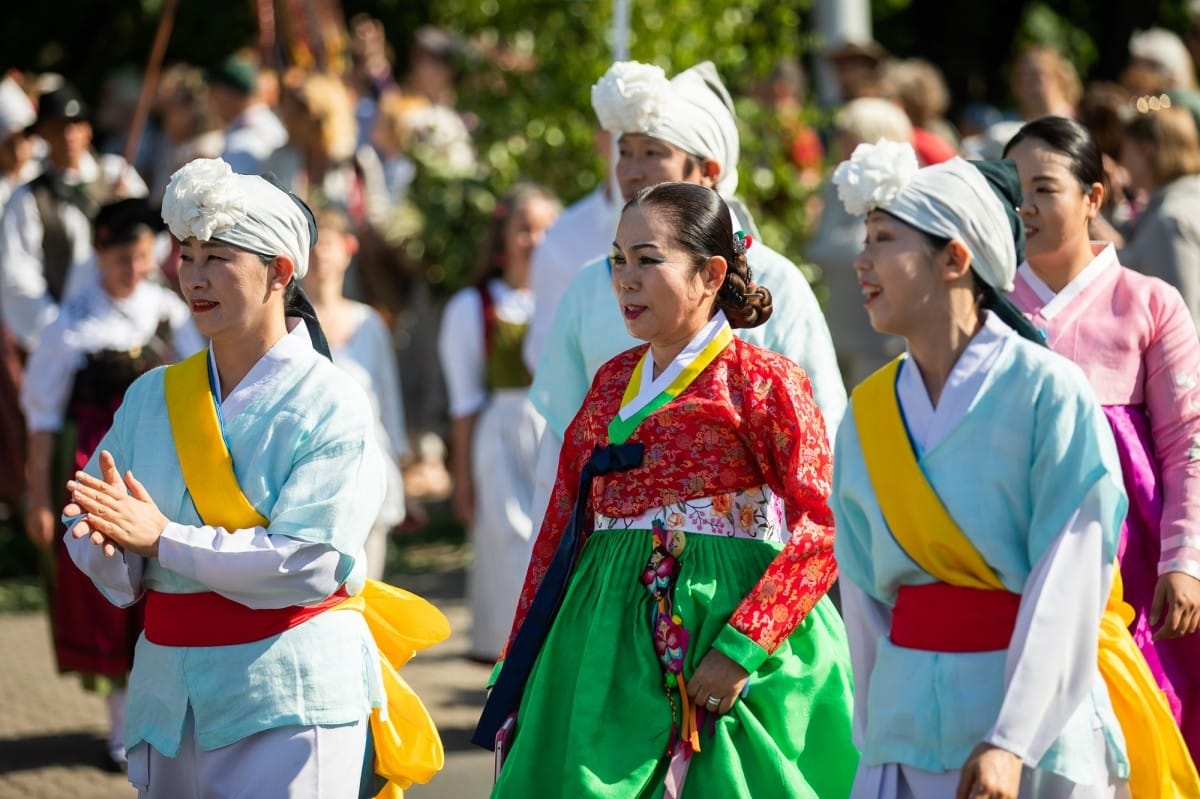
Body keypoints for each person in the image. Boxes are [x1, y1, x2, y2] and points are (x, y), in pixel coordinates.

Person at [60, 157, 446, 797]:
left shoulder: (334, 401)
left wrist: (161, 539)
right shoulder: (152, 396)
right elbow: (94, 512)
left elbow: (311, 561)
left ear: (281, 271)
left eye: (218, 257)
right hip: (167, 693)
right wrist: (102, 543)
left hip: (289, 693)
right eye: (186, 256)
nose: (195, 277)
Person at [829, 138, 1194, 798]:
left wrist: (1013, 736)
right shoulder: (868, 409)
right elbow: (862, 590)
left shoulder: (1049, 391)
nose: (863, 261)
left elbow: (1069, 575)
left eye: (884, 239)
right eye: (864, 239)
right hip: (903, 725)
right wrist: (878, 723)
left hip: (1031, 726)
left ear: (955, 258)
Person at [478, 181, 858, 798]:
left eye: (648, 260)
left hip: (723, 630)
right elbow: (560, 525)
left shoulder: (763, 382)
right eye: (618, 260)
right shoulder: (610, 383)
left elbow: (824, 519)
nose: (625, 279)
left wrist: (743, 646)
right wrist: (521, 652)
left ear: (710, 274)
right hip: (598, 638)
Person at [527, 60, 846, 533]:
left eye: (653, 151)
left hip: (740, 554)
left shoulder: (778, 280)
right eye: (624, 151)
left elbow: (821, 435)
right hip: (609, 557)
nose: (631, 171)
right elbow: (561, 447)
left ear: (709, 171)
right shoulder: (588, 286)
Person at [1004, 116, 1200, 764]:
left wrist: (1183, 558)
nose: (1023, 206)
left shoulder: (1150, 302)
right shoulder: (985, 307)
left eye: (1043, 188)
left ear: (1094, 196)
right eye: (1012, 188)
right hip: (1009, 551)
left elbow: (1185, 442)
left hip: (1132, 565)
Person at [20, 197, 203, 771]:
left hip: (162, 464)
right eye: (124, 257)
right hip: (94, 466)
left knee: (167, 585)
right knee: (107, 597)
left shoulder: (172, 313)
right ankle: (122, 728)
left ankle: (173, 715)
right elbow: (43, 416)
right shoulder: (71, 322)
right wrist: (41, 497)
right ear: (100, 255)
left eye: (145, 256)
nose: (135, 268)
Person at [437, 183, 560, 662]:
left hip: (555, 432)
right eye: (525, 229)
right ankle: (508, 663)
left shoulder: (566, 301)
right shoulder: (474, 306)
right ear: (504, 236)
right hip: (501, 438)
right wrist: (462, 478)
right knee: (509, 548)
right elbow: (464, 402)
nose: (536, 241)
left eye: (547, 229)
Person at [0, 80, 147, 351]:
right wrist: (59, 334)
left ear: (88, 130)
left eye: (76, 124)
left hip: (129, 327)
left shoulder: (117, 176)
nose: (68, 135)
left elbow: (152, 245)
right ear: (42, 134)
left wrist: (129, 209)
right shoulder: (28, 198)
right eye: (57, 127)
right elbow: (18, 277)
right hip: (65, 338)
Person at [303, 205, 409, 582]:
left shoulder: (369, 323)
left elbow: (388, 398)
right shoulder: (288, 323)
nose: (319, 255)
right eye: (312, 246)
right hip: (312, 470)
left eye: (327, 244)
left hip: (370, 459)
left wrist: (400, 460)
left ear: (348, 248)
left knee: (371, 585)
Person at [805, 97, 912, 389]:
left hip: (879, 345)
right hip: (831, 337)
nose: (838, 141)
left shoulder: (903, 193)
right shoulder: (833, 188)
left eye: (847, 134)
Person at [521, 128, 620, 373]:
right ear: (601, 139)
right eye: (624, 143)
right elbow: (544, 349)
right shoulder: (563, 235)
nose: (637, 164)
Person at [1115, 104, 1200, 325]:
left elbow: (1184, 321)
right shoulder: (1184, 203)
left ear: (1147, 150)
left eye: (1126, 149)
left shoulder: (1170, 220)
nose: (1122, 161)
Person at [209, 54, 287, 175]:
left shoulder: (241, 142)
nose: (212, 99)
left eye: (215, 92)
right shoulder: (270, 122)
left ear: (228, 94)